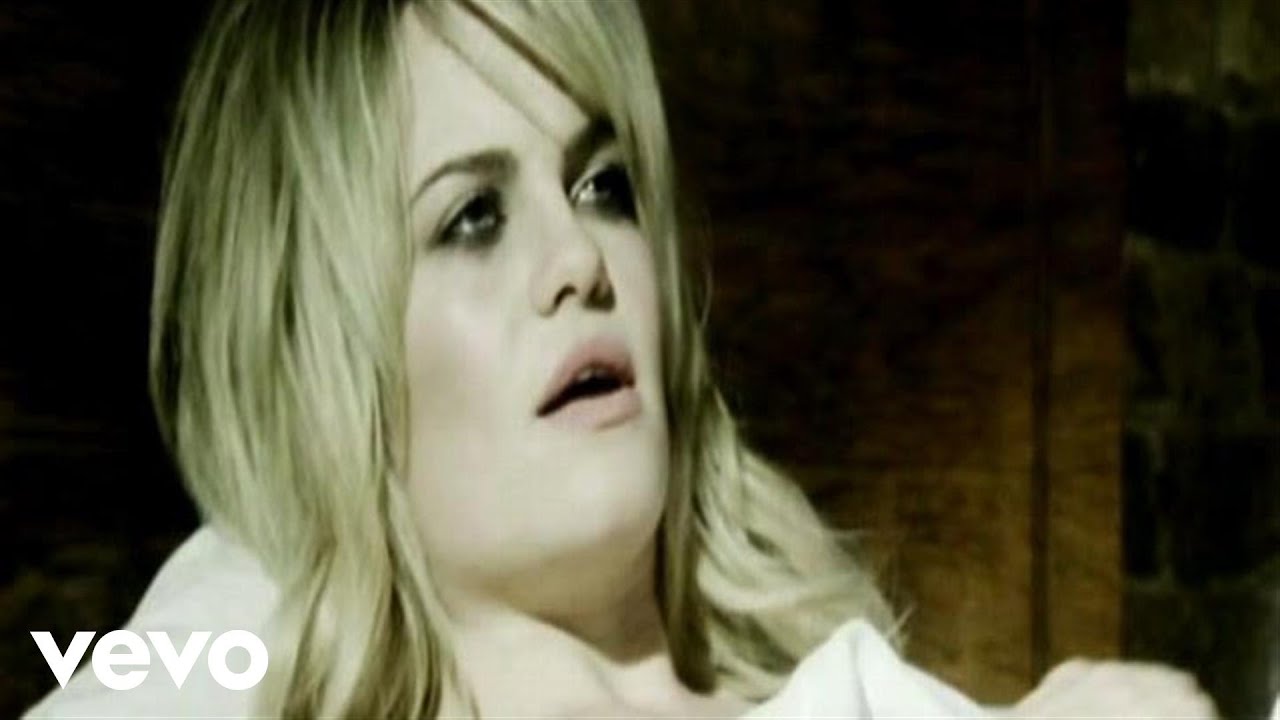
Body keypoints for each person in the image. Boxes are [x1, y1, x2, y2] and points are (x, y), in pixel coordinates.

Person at [27, 0, 1217, 717]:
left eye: (603, 186)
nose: (578, 261)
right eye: (471, 218)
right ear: (322, 359)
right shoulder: (222, 650)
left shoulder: (860, 687)